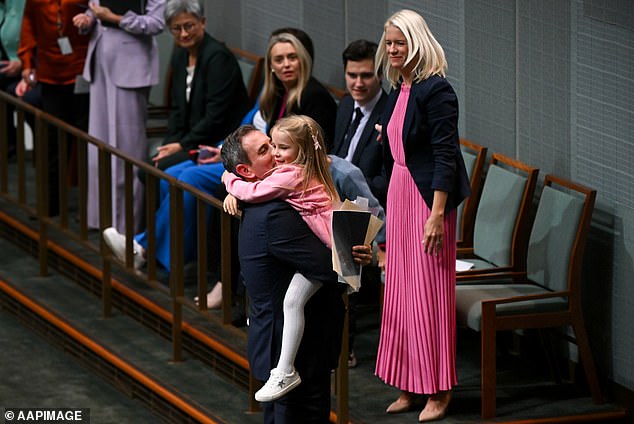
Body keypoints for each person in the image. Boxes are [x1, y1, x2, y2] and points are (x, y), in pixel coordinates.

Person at [374, 9, 471, 422]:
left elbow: (447, 156)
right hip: (400, 194)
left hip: (428, 201)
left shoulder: (438, 91)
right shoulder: (399, 87)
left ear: (417, 43)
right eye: (390, 43)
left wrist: (437, 214)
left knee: (428, 298)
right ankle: (409, 384)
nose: (393, 50)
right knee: (399, 294)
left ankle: (438, 389)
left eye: (400, 43)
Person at [221, 124, 344, 423]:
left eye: (275, 145)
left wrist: (227, 181)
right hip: (297, 354)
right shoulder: (273, 213)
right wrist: (351, 259)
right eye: (265, 150)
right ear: (246, 170)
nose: (276, 154)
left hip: (275, 342)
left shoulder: (260, 203)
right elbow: (331, 269)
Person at [73, 0, 165, 232]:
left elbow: (156, 23)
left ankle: (126, 225)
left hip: (130, 65)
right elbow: (94, 6)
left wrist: (116, 18)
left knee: (126, 150)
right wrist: (88, 18)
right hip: (100, 59)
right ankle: (100, 218)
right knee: (97, 146)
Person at [149, 0, 249, 171]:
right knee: (151, 166)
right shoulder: (180, 54)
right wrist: (170, 143)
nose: (183, 34)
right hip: (190, 137)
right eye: (176, 28)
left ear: (202, 22)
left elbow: (215, 117)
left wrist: (181, 145)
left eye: (189, 26)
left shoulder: (218, 58)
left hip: (216, 140)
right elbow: (176, 108)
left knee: (155, 171)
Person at [16, 0, 90, 217]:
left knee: (85, 142)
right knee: (52, 142)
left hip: (82, 71)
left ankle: (90, 207)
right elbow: (28, 25)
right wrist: (27, 62)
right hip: (50, 73)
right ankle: (50, 204)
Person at [332, 39, 388, 207]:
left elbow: (386, 183)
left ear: (380, 74)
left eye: (366, 76)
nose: (358, 84)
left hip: (367, 205)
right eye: (352, 75)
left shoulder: (390, 115)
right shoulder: (346, 104)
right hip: (334, 195)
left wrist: (345, 190)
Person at [258, 31, 336, 145]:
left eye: (292, 57)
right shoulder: (278, 91)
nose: (286, 64)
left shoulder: (316, 96)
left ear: (302, 60)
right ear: (271, 66)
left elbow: (315, 148)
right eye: (279, 60)